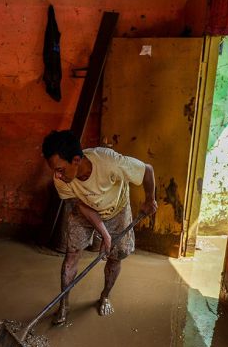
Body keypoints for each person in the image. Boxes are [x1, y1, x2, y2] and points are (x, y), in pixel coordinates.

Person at [42, 130, 158, 325]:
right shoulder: (61, 180)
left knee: (115, 256)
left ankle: (104, 296)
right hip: (86, 208)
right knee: (71, 254)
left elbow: (147, 169)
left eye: (61, 169)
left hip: (117, 209)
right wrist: (104, 233)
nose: (57, 175)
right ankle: (64, 304)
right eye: (55, 170)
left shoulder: (110, 162)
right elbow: (81, 205)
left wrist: (150, 199)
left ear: (76, 160)